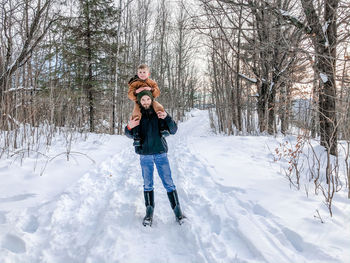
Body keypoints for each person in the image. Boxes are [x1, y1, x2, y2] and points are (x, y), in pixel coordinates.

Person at [125, 90, 185, 226]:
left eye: (147, 99)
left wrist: (167, 117)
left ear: (151, 99)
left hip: (160, 153)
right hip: (145, 155)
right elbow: (128, 133)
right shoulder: (137, 115)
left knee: (168, 183)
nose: (145, 102)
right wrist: (130, 127)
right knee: (147, 184)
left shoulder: (159, 113)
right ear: (139, 102)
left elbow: (174, 130)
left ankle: (178, 213)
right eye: (143, 100)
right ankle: (149, 212)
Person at [127, 64, 168, 147]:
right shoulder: (134, 84)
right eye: (140, 72)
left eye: (144, 72)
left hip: (151, 101)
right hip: (138, 103)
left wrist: (151, 89)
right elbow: (130, 95)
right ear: (138, 73)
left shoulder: (151, 82)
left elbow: (157, 92)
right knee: (136, 116)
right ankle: (137, 136)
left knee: (159, 108)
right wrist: (136, 91)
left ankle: (163, 128)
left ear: (148, 74)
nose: (142, 74)